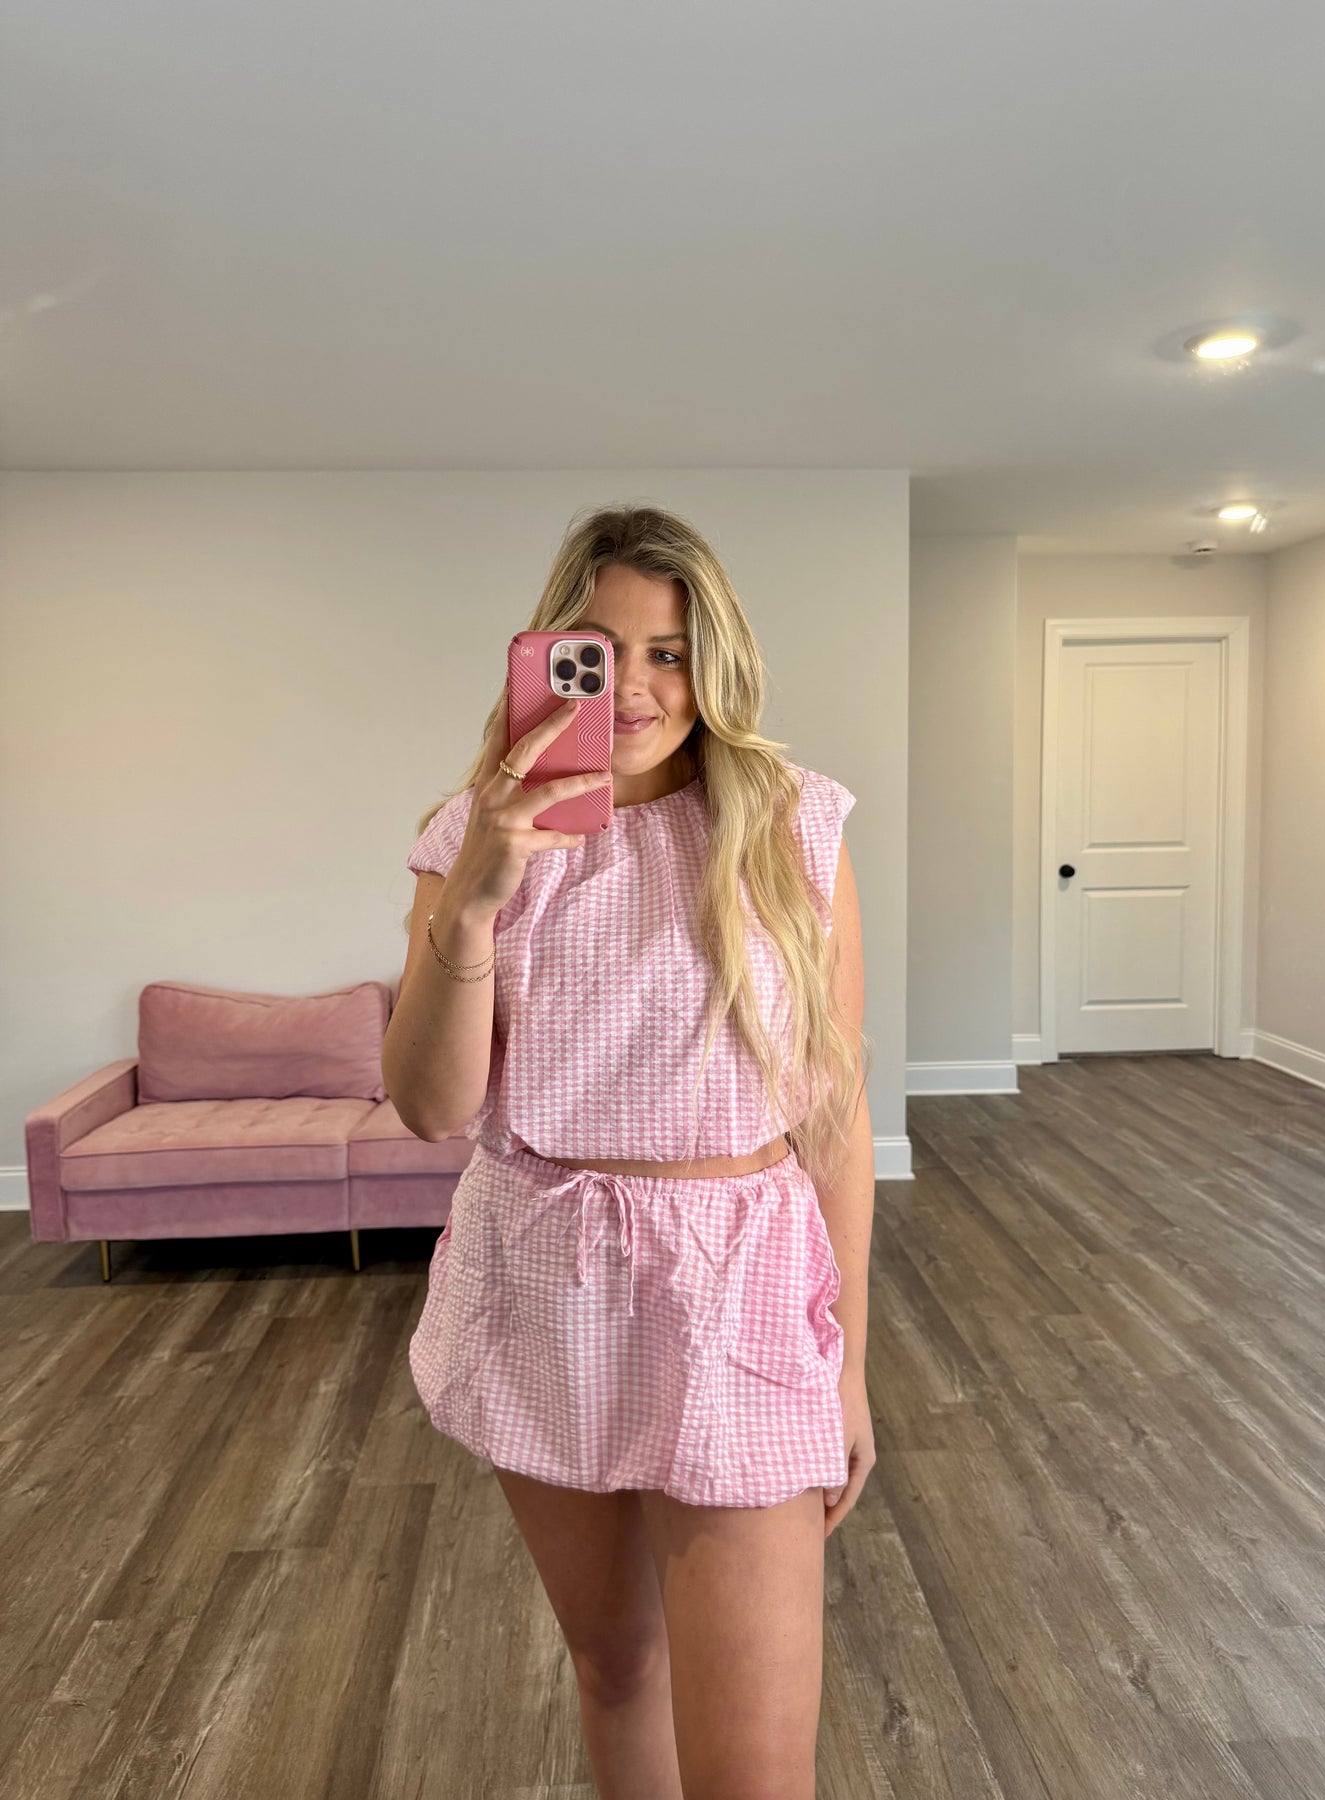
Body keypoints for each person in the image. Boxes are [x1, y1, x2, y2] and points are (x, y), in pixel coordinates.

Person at [384, 502, 876, 1800]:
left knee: (755, 1769)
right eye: (602, 652)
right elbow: (430, 1107)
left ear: (715, 663)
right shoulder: (471, 835)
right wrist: (475, 901)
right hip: (542, 1277)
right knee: (614, 1672)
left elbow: (833, 1117)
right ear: (551, 656)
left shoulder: (793, 826)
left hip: (738, 1293)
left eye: (671, 652)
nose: (642, 687)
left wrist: (849, 1367)